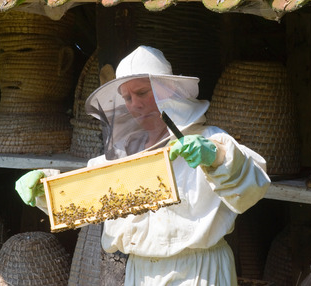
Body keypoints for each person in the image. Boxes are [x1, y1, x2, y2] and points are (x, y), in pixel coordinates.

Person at [15, 45, 271, 286]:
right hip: (140, 274)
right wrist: (44, 188)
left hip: (200, 271)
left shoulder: (209, 140)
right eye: (126, 97)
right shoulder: (122, 155)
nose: (134, 104)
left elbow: (254, 186)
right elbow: (82, 202)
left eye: (141, 93)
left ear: (168, 91)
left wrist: (217, 157)